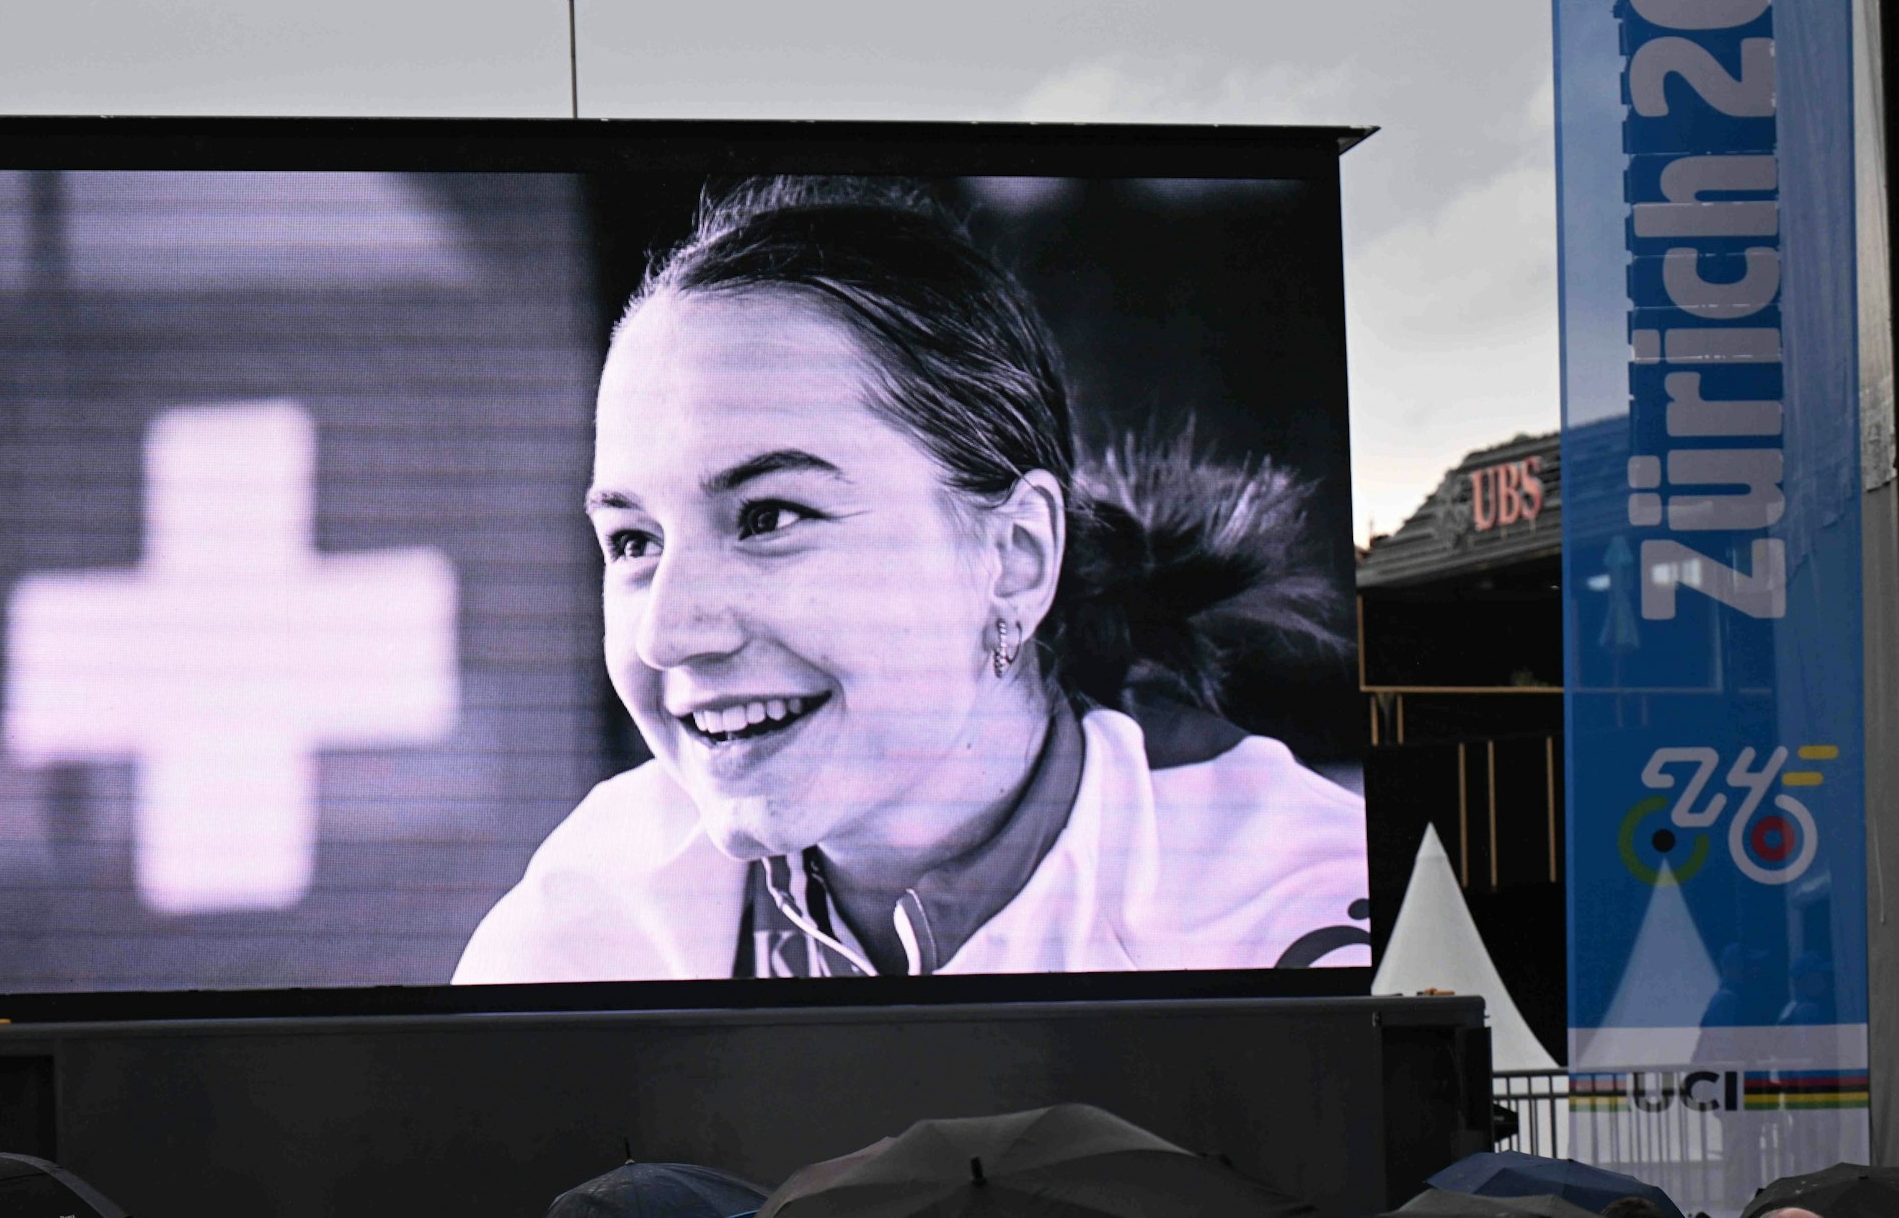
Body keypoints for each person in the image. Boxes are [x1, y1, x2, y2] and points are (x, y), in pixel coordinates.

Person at [454, 177, 1368, 983]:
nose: (669, 632)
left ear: (1014, 558)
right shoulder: (595, 917)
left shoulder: (1293, 915)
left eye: (769, 516)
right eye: (633, 541)